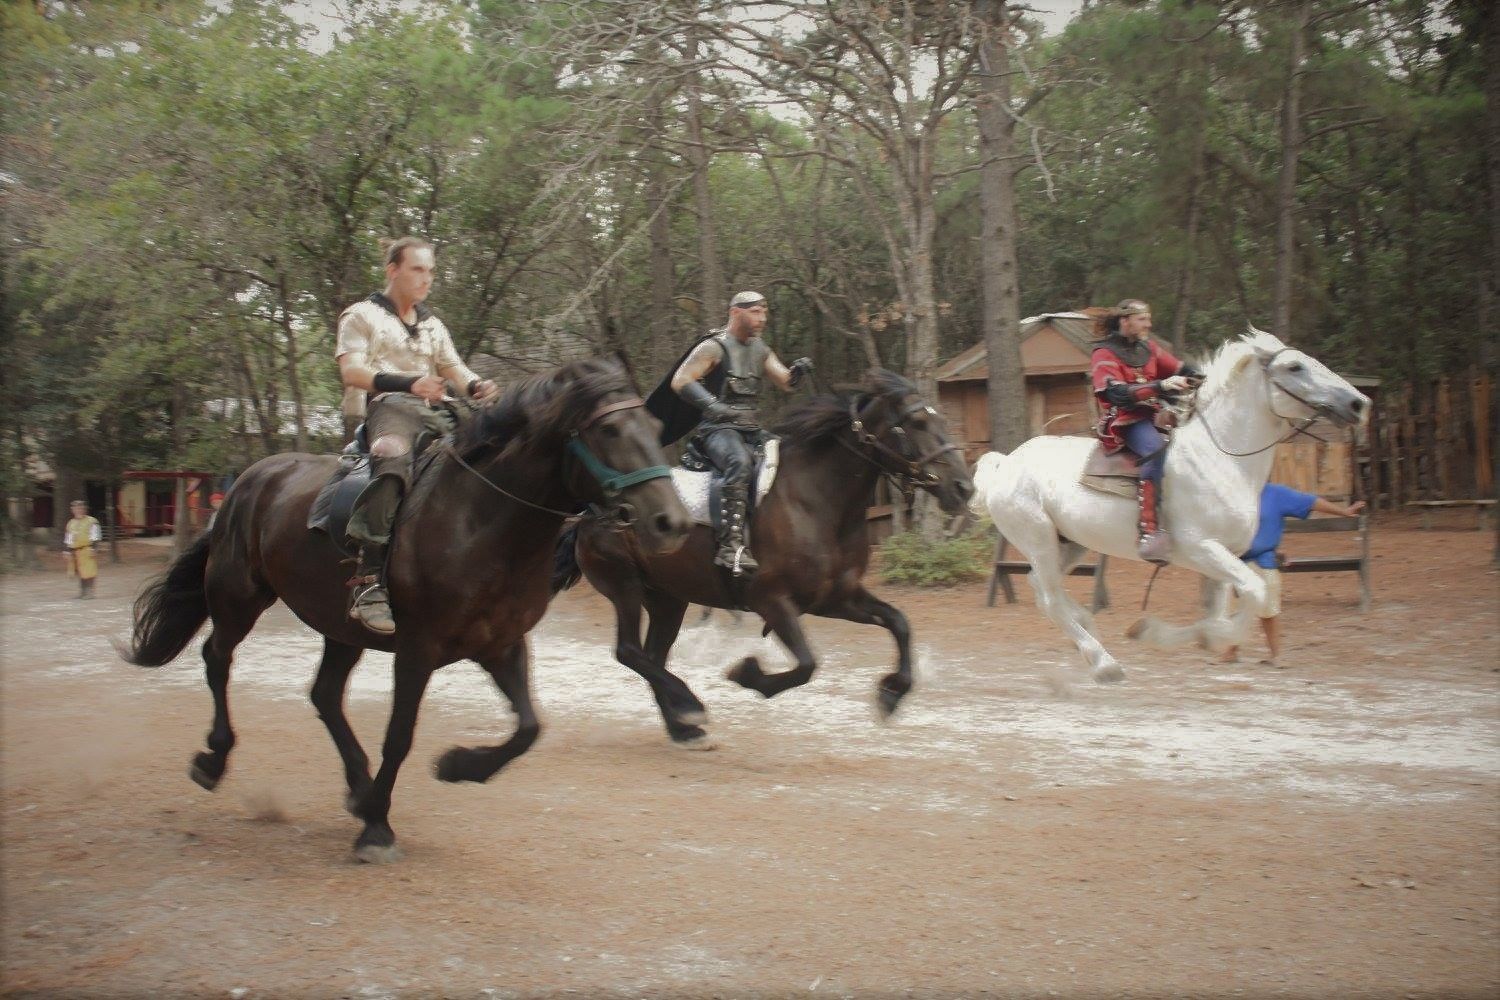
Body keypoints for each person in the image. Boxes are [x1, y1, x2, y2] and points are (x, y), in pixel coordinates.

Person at [335, 236, 500, 634]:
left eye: (430, 271)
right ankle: (368, 581)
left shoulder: (432, 325)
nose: (426, 279)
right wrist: (410, 384)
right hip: (388, 408)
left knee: (495, 455)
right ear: (393, 270)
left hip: (436, 411)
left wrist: (477, 386)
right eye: (417, 269)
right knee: (391, 457)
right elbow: (352, 373)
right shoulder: (360, 316)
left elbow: (454, 369)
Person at [646, 291, 813, 575]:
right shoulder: (713, 347)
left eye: (764, 312)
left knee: (791, 458)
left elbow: (785, 382)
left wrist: (797, 372)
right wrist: (714, 406)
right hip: (717, 431)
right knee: (739, 463)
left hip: (751, 429)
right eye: (756, 312)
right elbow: (681, 380)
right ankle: (730, 546)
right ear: (736, 312)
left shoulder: (760, 349)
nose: (763, 319)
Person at [1090, 298, 1203, 564]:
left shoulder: (1149, 348)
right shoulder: (1103, 353)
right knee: (1154, 451)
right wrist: (1161, 386)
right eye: (1143, 319)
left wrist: (1198, 375)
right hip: (1128, 418)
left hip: (1159, 414)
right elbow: (1115, 393)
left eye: (1148, 319)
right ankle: (1149, 531)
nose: (1148, 324)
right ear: (1125, 321)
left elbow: (1180, 368)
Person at [1221, 483, 1366, 665]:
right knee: (1235, 608)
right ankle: (1231, 651)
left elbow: (1310, 502)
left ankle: (1276, 655)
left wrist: (1343, 512)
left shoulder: (1274, 493)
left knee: (1268, 609)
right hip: (1236, 561)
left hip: (1263, 559)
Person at [62, 500, 101, 599]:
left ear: (84, 509)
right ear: (72, 510)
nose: (78, 510)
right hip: (75, 551)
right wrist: (66, 550)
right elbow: (69, 538)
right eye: (76, 508)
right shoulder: (71, 523)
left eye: (80, 508)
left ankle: (90, 592)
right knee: (80, 572)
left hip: (87, 549)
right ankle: (83, 592)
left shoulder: (91, 521)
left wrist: (94, 548)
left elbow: (95, 536)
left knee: (89, 571)